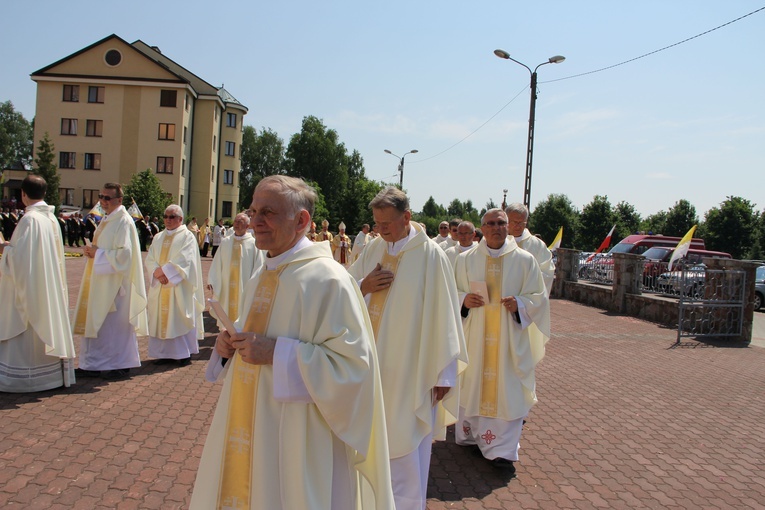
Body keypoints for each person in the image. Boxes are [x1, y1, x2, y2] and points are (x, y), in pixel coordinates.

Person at [190, 175, 394, 509]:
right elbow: (258, 329)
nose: (255, 221)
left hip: (297, 437)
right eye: (253, 210)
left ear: (301, 220)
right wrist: (229, 345)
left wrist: (276, 353)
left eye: (267, 212)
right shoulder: (265, 270)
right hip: (250, 421)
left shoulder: (329, 280)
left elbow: (354, 369)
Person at [348, 186, 467, 510]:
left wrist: (443, 375)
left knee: (404, 447)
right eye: (376, 223)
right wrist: (363, 286)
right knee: (367, 443)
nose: (381, 230)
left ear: (407, 217)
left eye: (386, 224)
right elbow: (344, 293)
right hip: (370, 368)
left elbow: (444, 317)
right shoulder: (374, 249)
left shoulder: (431, 257)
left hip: (409, 373)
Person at [454, 208, 550, 475]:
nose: (496, 227)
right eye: (491, 223)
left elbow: (539, 298)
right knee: (473, 383)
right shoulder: (465, 260)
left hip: (508, 341)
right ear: (481, 229)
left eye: (501, 223)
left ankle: (503, 452)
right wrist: (464, 299)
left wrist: (519, 303)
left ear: (508, 227)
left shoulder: (525, 260)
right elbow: (450, 290)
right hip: (475, 337)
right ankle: (473, 436)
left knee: (507, 388)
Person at [0, 175, 76, 392]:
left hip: (32, 287)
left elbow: (21, 261)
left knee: (26, 332)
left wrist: (5, 250)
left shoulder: (30, 220)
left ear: (23, 194)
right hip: (47, 286)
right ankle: (49, 375)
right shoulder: (50, 219)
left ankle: (24, 380)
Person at [72, 183, 148, 380]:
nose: (103, 201)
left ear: (119, 200)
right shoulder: (108, 219)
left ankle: (121, 364)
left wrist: (99, 253)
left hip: (116, 286)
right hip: (101, 281)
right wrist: (92, 252)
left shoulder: (123, 221)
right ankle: (92, 364)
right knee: (98, 323)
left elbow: (125, 255)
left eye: (107, 198)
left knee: (115, 328)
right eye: (101, 196)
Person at [145, 205, 205, 366]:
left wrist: (165, 273)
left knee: (178, 316)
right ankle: (163, 354)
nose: (167, 219)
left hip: (178, 286)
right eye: (165, 216)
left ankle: (182, 353)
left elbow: (185, 260)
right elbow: (150, 257)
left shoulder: (187, 236)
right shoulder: (158, 237)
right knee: (161, 318)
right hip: (160, 285)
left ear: (180, 219)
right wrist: (156, 272)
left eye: (172, 217)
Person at [207, 212, 263, 330]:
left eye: (240, 222)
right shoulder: (226, 242)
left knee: (243, 319)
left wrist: (255, 287)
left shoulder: (253, 244)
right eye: (235, 221)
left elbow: (259, 267)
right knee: (226, 318)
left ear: (248, 226)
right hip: (226, 287)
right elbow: (217, 263)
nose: (236, 224)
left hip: (244, 287)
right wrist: (212, 281)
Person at [505, 203, 556, 295]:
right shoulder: (496, 242)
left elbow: (547, 273)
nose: (518, 226)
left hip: (527, 299)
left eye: (521, 223)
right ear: (506, 220)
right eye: (514, 222)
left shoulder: (537, 245)